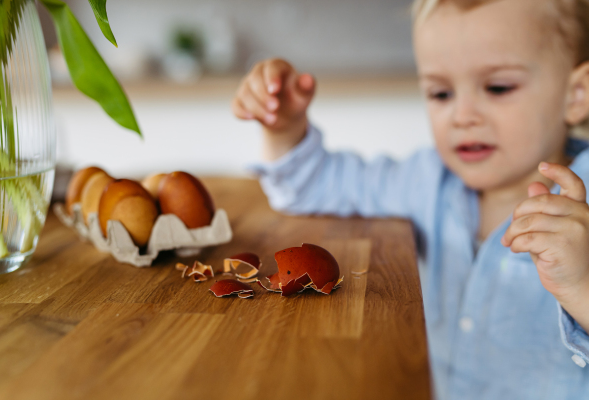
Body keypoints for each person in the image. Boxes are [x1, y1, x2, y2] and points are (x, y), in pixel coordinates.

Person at [232, 0, 589, 398]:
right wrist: (284, 129)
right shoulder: (426, 180)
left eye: (498, 87)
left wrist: (582, 286)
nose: (462, 115)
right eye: (440, 93)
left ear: (576, 94)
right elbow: (320, 186)